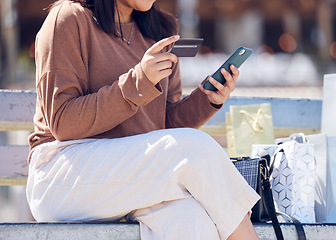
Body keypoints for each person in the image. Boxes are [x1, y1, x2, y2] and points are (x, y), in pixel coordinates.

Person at [26, 0, 261, 239]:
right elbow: (63, 123)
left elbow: (162, 129)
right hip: (63, 174)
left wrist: (206, 100)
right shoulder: (68, 18)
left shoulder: (160, 29)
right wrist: (139, 82)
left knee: (191, 218)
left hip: (133, 178)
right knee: (198, 147)